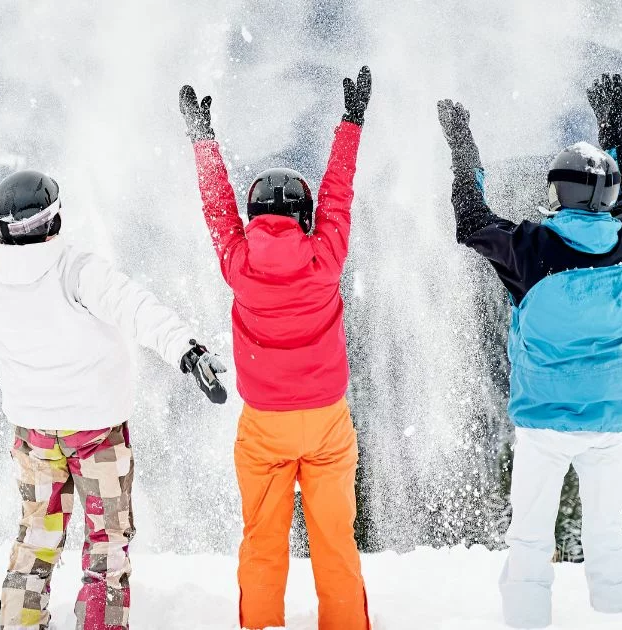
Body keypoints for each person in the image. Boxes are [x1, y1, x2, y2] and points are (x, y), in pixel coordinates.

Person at [0, 169, 229, 630]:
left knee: (36, 539)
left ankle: (20, 622)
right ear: (53, 220)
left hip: (36, 439)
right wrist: (187, 351)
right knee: (106, 546)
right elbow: (138, 309)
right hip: (98, 436)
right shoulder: (77, 270)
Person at [436, 74, 622, 629]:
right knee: (609, 534)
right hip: (610, 419)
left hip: (544, 421)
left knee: (531, 538)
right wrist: (614, 125)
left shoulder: (531, 249)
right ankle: (619, 618)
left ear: (559, 191)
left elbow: (470, 221)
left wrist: (464, 150)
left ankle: (528, 619)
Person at [177, 66, 373, 630]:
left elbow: (216, 210)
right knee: (335, 543)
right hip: (328, 421)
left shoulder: (238, 264)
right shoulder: (325, 257)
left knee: (263, 545)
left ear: (255, 216)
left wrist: (202, 140)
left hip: (264, 424)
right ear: (305, 219)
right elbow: (340, 192)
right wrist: (351, 122)